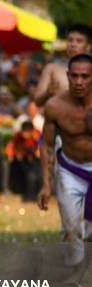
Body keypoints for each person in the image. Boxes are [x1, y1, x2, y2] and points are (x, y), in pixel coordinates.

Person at [38, 53, 92, 266]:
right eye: (75, 76)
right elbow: (47, 145)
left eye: (85, 77)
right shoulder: (55, 106)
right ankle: (75, 272)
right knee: (70, 229)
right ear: (68, 76)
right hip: (70, 169)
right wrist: (45, 184)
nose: (79, 82)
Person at [34, 24, 90, 107]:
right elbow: (37, 102)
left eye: (79, 41)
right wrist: (48, 93)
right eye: (70, 40)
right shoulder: (52, 68)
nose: (73, 44)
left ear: (88, 46)